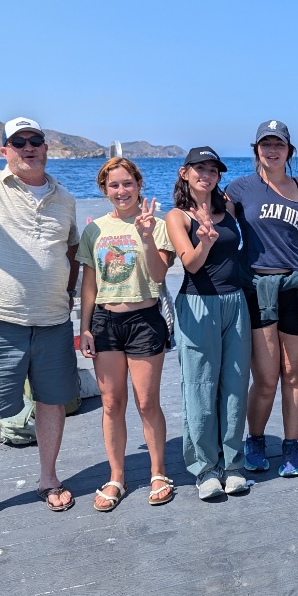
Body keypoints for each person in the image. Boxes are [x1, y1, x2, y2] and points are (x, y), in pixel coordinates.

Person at [0, 117, 80, 521]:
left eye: (35, 140)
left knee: (52, 401)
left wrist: (67, 293)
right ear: (4, 149)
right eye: (18, 141)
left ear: (46, 147)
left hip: (55, 320)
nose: (28, 147)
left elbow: (73, 253)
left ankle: (48, 479)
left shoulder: (65, 198)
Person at [225, 120, 298, 477]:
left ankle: (293, 444)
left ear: (289, 150)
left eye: (278, 144)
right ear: (256, 150)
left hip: (297, 289)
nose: (272, 150)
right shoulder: (240, 188)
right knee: (266, 377)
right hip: (257, 289)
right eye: (265, 144)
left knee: (293, 374)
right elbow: (212, 219)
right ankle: (254, 439)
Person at [78, 157, 175, 511]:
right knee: (111, 402)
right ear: (105, 190)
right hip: (105, 322)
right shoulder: (95, 230)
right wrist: (85, 327)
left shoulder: (156, 225)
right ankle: (117, 476)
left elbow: (159, 275)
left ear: (139, 185)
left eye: (127, 183)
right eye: (114, 185)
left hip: (144, 320)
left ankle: (158, 471)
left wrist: (147, 237)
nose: (121, 191)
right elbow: (89, 281)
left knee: (147, 402)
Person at [166, 146, 251, 500]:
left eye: (213, 169)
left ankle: (232, 464)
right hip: (198, 304)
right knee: (200, 386)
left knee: (234, 384)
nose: (206, 174)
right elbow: (192, 264)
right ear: (185, 173)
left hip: (235, 303)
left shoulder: (227, 208)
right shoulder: (177, 216)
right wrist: (203, 242)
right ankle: (205, 468)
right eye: (199, 168)